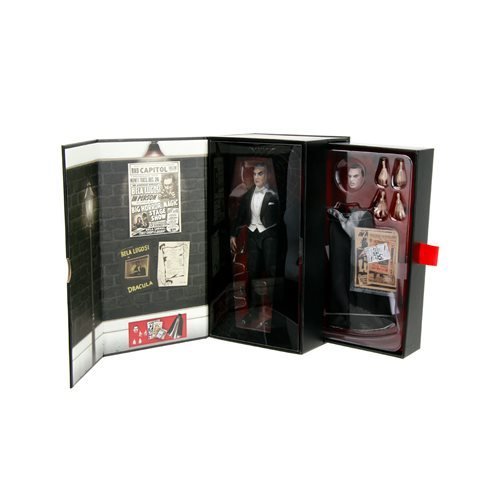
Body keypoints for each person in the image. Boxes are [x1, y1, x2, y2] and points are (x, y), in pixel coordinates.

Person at [230, 163, 281, 327]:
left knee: (271, 275)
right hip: (253, 235)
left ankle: (272, 315)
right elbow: (240, 215)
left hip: (270, 236)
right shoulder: (248, 194)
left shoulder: (274, 195)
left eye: (260, 174)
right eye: (255, 174)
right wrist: (233, 234)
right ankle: (252, 311)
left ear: (267, 175)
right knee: (253, 274)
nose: (257, 177)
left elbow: (282, 216)